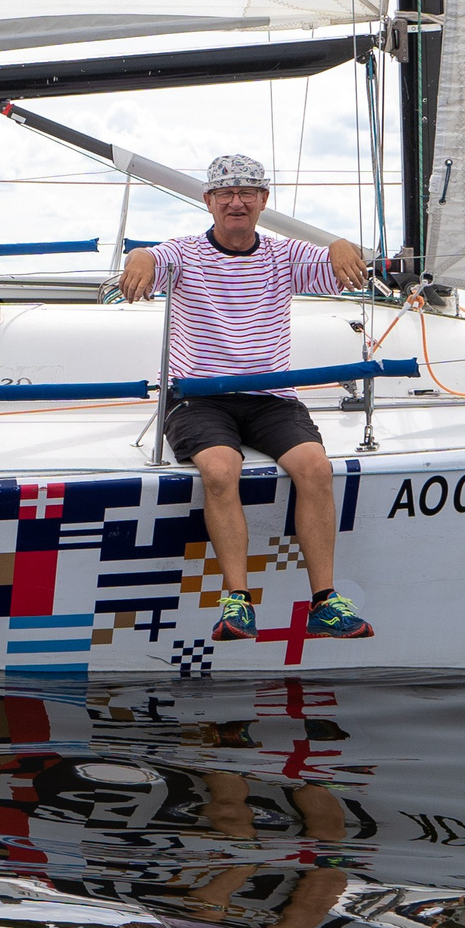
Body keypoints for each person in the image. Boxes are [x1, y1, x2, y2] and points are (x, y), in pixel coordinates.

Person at [120, 154, 374, 641]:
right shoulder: (188, 253)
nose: (236, 202)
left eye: (247, 193)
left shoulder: (283, 256)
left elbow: (338, 266)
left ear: (263, 201)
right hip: (199, 396)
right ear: (208, 201)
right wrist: (140, 257)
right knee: (219, 469)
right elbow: (156, 258)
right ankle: (238, 601)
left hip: (269, 396)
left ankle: (325, 601)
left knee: (316, 467)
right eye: (225, 194)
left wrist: (342, 244)